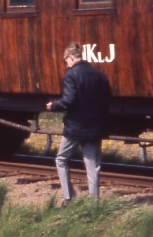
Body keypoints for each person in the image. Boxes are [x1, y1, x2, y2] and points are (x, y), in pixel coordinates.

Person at [45, 42, 111, 204]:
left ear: (71, 57)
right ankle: (94, 203)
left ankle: (69, 197)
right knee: (92, 165)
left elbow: (69, 101)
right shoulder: (99, 75)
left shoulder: (71, 75)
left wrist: (53, 105)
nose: (65, 65)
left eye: (65, 61)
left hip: (75, 127)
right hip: (94, 126)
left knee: (61, 159)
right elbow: (107, 99)